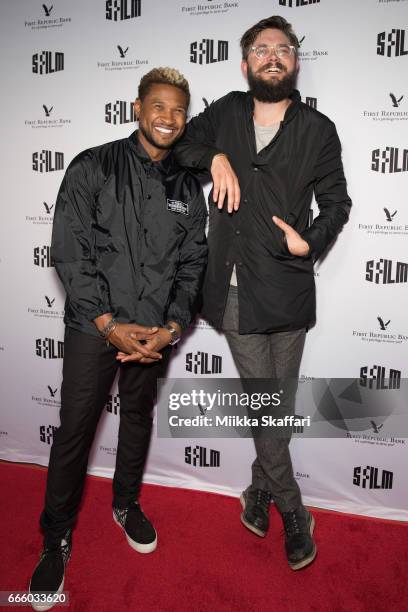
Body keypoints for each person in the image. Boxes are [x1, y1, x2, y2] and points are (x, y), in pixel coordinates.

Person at [176, 15, 351, 570]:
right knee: (266, 406)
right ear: (246, 61)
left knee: (271, 405)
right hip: (232, 288)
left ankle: (258, 490)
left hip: (289, 285)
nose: (271, 56)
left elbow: (338, 202)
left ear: (295, 61)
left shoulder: (318, 131)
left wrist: (311, 244)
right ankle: (295, 511)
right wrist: (216, 156)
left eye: (282, 48)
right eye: (260, 49)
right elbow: (181, 146)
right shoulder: (226, 110)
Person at [29, 67, 207, 608]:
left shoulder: (187, 186)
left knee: (137, 420)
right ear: (136, 108)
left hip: (153, 334)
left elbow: (193, 265)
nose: (168, 118)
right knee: (75, 430)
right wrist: (108, 323)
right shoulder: (92, 166)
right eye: (158, 106)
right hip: (92, 326)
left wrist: (172, 328)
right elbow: (69, 252)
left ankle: (125, 503)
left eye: (178, 110)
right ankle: (55, 536)